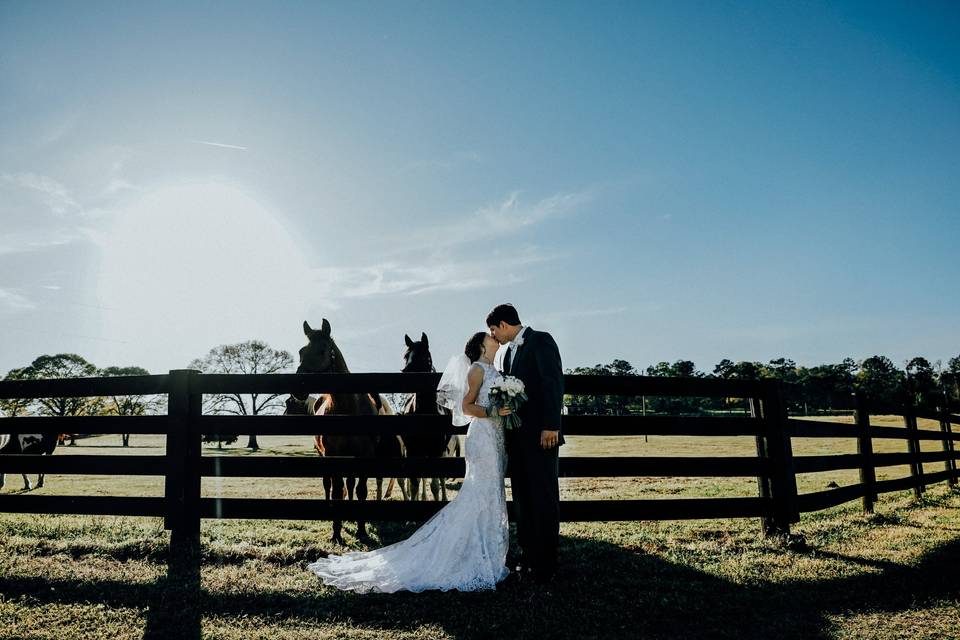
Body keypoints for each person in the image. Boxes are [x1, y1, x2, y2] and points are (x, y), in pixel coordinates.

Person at [307, 331, 513, 592]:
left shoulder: (497, 366)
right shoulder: (475, 370)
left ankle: (490, 541)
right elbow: (466, 407)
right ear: (482, 347)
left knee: (492, 490)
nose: (494, 338)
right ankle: (473, 544)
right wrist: (494, 411)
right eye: (490, 337)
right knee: (479, 490)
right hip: (484, 434)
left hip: (494, 436)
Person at [487, 303, 564, 583]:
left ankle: (547, 560)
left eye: (494, 330)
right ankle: (529, 554)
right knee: (522, 497)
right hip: (518, 439)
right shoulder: (508, 355)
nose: (494, 336)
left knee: (543, 495)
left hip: (543, 435)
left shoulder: (541, 340)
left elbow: (552, 382)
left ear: (504, 324)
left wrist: (551, 425)